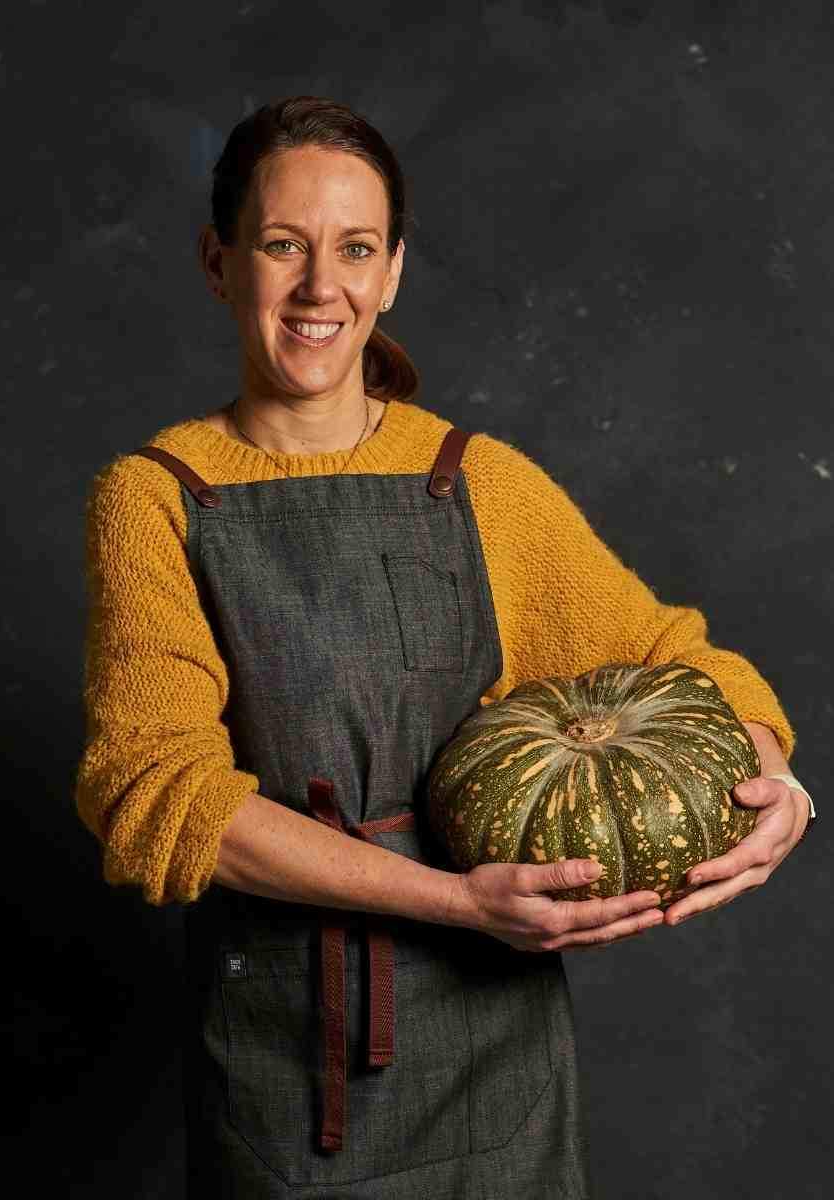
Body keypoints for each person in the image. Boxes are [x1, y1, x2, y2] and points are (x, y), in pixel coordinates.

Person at [74, 95, 815, 1199]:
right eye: (284, 245)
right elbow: (158, 796)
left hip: (498, 1056)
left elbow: (675, 660)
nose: (322, 287)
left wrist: (773, 774)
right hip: (293, 1062)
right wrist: (461, 905)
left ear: (393, 272)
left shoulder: (475, 483)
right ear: (218, 259)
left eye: (356, 249)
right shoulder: (158, 500)